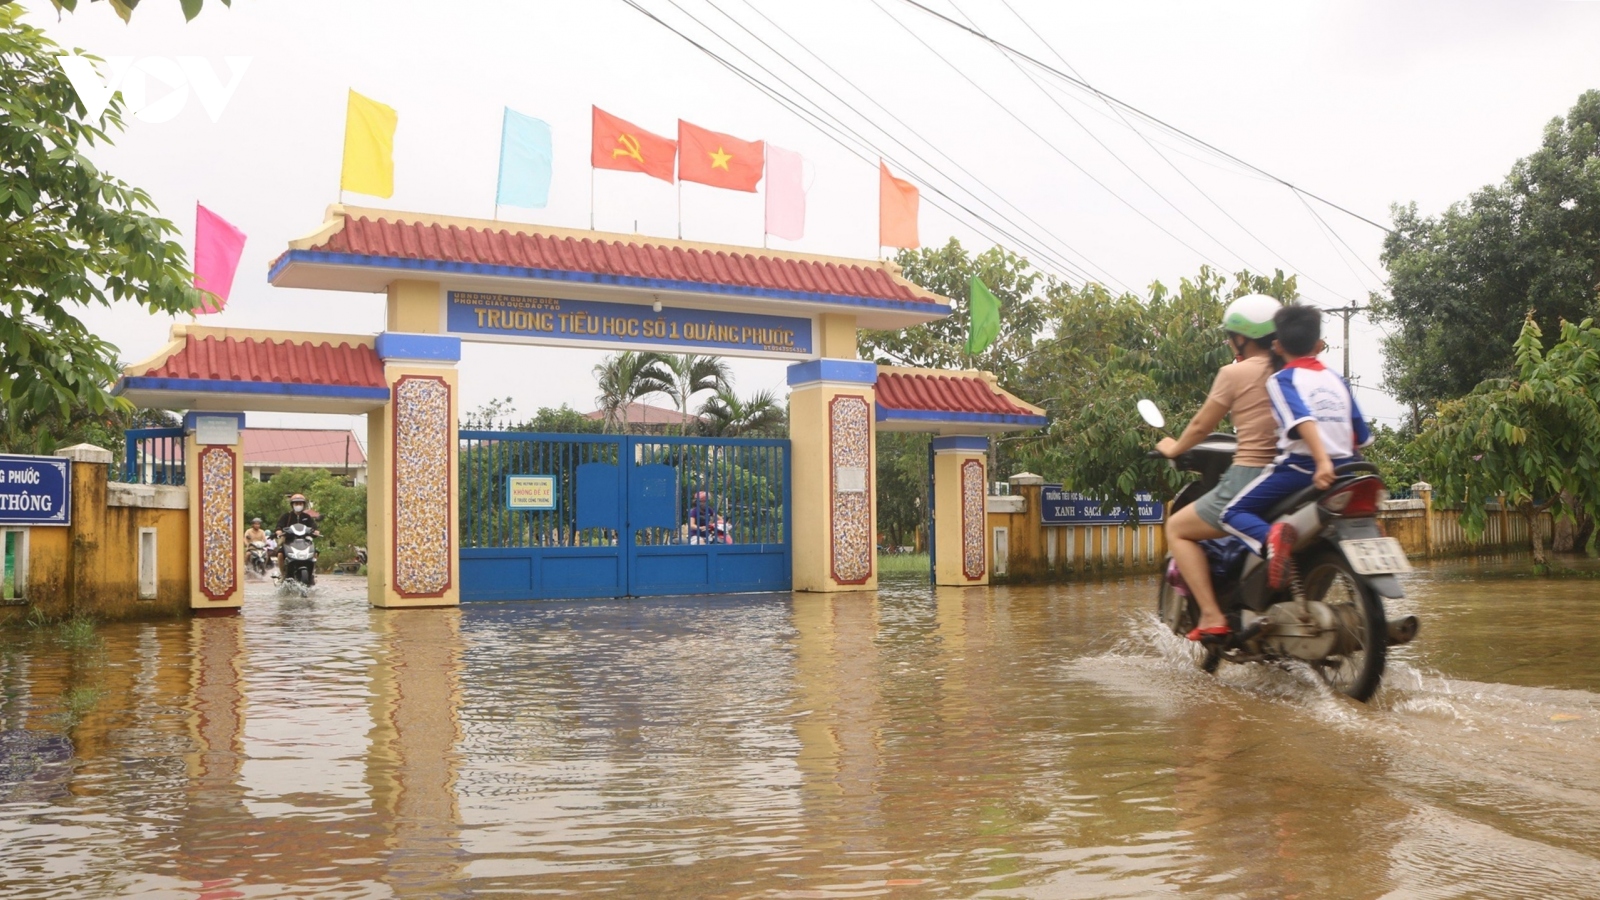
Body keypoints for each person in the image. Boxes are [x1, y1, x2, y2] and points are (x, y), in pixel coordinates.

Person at [1220, 305, 1371, 590]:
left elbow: (1302, 418)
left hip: (1303, 468)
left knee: (1232, 514)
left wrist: (1322, 461)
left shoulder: (1282, 379)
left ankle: (1273, 538)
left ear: (1276, 345)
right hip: (1348, 469)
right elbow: (1361, 436)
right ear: (1319, 345)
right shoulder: (1338, 380)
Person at [1158, 293, 1281, 642]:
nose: (1230, 343)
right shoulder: (1291, 369)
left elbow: (1201, 426)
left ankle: (1212, 615)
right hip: (1293, 474)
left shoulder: (1234, 372)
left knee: (1179, 528)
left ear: (1241, 337)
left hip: (1250, 476)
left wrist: (1173, 447)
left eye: (1231, 337)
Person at [274, 493, 320, 569]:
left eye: (300, 503)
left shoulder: (307, 517)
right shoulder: (286, 516)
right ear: (292, 505)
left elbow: (313, 526)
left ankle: (312, 572)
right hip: (289, 541)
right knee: (280, 554)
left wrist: (316, 531)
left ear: (303, 505)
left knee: (315, 553)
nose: (298, 505)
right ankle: (282, 574)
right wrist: (278, 530)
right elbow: (279, 525)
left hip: (305, 542)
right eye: (296, 503)